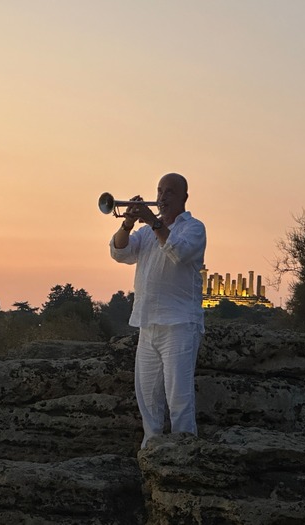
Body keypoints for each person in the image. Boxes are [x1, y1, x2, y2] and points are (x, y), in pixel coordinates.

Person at [109, 172, 206, 448]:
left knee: (179, 400)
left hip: (179, 325)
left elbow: (179, 252)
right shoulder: (146, 233)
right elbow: (120, 253)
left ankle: (185, 458)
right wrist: (128, 222)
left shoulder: (194, 228)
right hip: (147, 324)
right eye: (159, 191)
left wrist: (152, 222)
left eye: (169, 192)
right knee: (148, 402)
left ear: (184, 197)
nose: (161, 197)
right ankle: (152, 459)